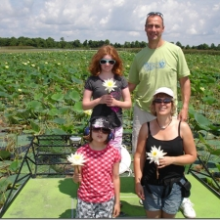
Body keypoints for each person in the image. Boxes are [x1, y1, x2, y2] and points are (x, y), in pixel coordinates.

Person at [128, 12, 196, 218]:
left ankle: (181, 195)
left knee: (177, 152)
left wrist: (184, 107)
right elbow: (130, 85)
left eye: (157, 26)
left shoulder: (175, 51)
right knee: (140, 154)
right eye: (150, 26)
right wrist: (108, 98)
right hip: (144, 110)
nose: (153, 29)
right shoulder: (139, 56)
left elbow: (185, 80)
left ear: (163, 28)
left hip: (168, 110)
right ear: (145, 29)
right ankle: (145, 191)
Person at [134, 87, 197, 218]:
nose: (162, 104)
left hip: (174, 184)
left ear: (172, 104)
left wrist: (172, 160)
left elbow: (192, 156)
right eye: (158, 100)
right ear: (153, 105)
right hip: (150, 184)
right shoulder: (146, 127)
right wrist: (138, 182)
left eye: (167, 100)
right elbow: (139, 156)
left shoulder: (182, 128)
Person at [82, 44, 132, 154]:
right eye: (103, 61)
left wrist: (116, 103)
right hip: (97, 126)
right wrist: (99, 101)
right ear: (98, 61)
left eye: (111, 61)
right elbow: (85, 105)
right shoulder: (92, 80)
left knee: (114, 156)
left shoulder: (120, 80)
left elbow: (128, 104)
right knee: (97, 157)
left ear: (115, 62)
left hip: (115, 124)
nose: (107, 64)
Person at [73, 117, 121, 218]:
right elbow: (76, 178)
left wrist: (117, 202)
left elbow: (116, 177)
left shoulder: (114, 153)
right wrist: (76, 178)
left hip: (106, 200)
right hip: (85, 199)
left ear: (109, 133)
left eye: (105, 130)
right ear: (90, 130)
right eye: (96, 129)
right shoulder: (81, 152)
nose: (100, 132)